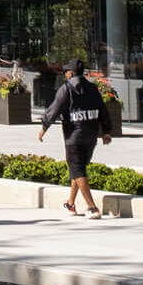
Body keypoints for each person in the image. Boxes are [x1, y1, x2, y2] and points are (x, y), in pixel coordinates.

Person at [39, 59, 107, 218]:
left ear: (70, 73)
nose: (64, 74)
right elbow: (103, 109)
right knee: (79, 169)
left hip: (74, 137)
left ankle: (92, 208)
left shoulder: (66, 89)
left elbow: (54, 109)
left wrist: (44, 128)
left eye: (65, 72)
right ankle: (70, 204)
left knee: (77, 170)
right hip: (91, 135)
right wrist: (106, 131)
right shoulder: (93, 88)